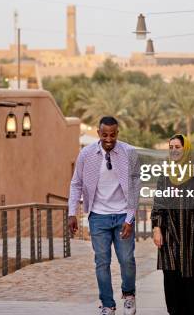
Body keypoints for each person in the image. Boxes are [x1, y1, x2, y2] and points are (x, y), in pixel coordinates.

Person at [68, 116, 140, 315]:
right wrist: (71, 212)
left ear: (117, 133)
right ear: (98, 134)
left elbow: (135, 188)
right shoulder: (86, 154)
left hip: (122, 215)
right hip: (98, 216)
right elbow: (76, 184)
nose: (109, 139)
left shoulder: (129, 153)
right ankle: (107, 304)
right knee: (102, 261)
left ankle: (129, 294)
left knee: (126, 259)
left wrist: (129, 219)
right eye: (105, 134)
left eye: (113, 134)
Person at [150, 134, 194, 315]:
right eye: (171, 147)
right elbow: (159, 204)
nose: (174, 151)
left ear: (185, 149)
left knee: (193, 281)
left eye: (177, 147)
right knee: (171, 280)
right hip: (169, 235)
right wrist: (156, 228)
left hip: (191, 235)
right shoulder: (165, 175)